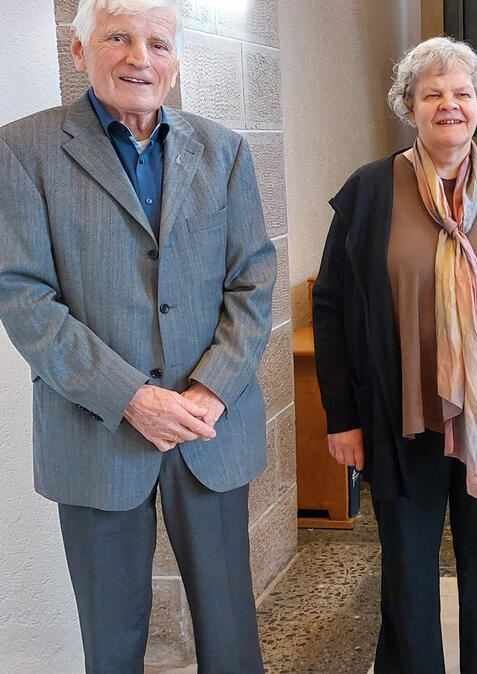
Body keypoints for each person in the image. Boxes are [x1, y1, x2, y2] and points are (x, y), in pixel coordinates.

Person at [0, 0, 277, 671]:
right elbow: (23, 296)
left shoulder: (224, 150)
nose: (139, 58)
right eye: (117, 38)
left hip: (210, 432)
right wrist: (131, 397)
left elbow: (253, 281)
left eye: (157, 42)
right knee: (113, 639)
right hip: (95, 435)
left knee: (230, 634)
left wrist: (212, 388)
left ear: (176, 61)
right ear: (79, 51)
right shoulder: (22, 150)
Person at [311, 36, 477, 673]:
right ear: (409, 106)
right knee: (407, 576)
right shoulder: (370, 192)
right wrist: (341, 418)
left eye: (461, 93)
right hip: (401, 419)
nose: (448, 105)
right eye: (432, 94)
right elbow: (333, 308)